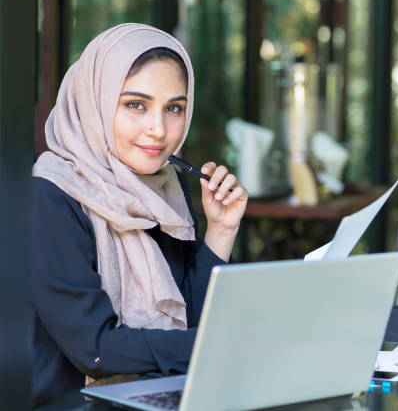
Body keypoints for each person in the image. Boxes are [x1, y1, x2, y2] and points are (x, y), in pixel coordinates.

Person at [30, 23, 248, 406]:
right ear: (94, 101)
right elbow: (95, 349)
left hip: (148, 396)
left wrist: (221, 229)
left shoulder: (164, 188)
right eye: (136, 105)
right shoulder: (50, 195)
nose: (158, 129)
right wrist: (217, 343)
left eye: (174, 109)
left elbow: (186, 319)